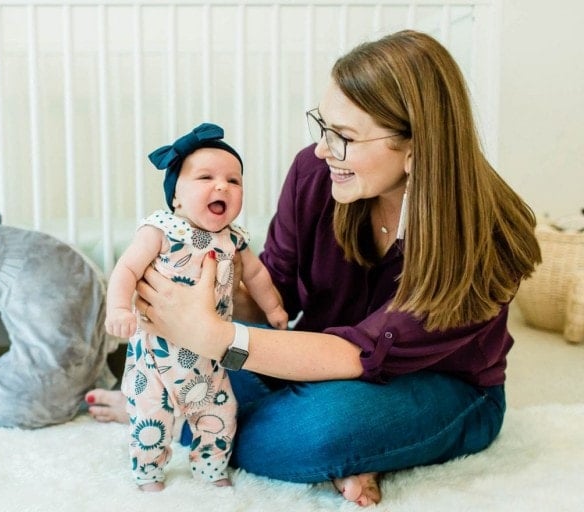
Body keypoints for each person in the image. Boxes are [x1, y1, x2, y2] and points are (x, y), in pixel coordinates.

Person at [86, 30, 542, 506]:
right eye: (323, 126)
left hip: (436, 384)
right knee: (197, 362)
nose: (323, 149)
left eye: (344, 137)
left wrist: (212, 337)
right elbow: (278, 294)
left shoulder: (485, 233)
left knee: (320, 431)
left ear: (414, 149)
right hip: (320, 360)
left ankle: (177, 420)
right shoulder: (314, 173)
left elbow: (362, 354)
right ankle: (188, 410)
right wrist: (197, 287)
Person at [103, 122, 288, 492]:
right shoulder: (160, 230)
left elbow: (257, 276)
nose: (222, 186)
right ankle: (148, 472)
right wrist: (118, 309)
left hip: (209, 354)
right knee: (151, 419)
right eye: (205, 177)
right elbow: (126, 270)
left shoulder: (235, 240)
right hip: (155, 355)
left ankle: (211, 466)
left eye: (233, 181)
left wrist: (274, 310)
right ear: (176, 197)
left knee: (221, 412)